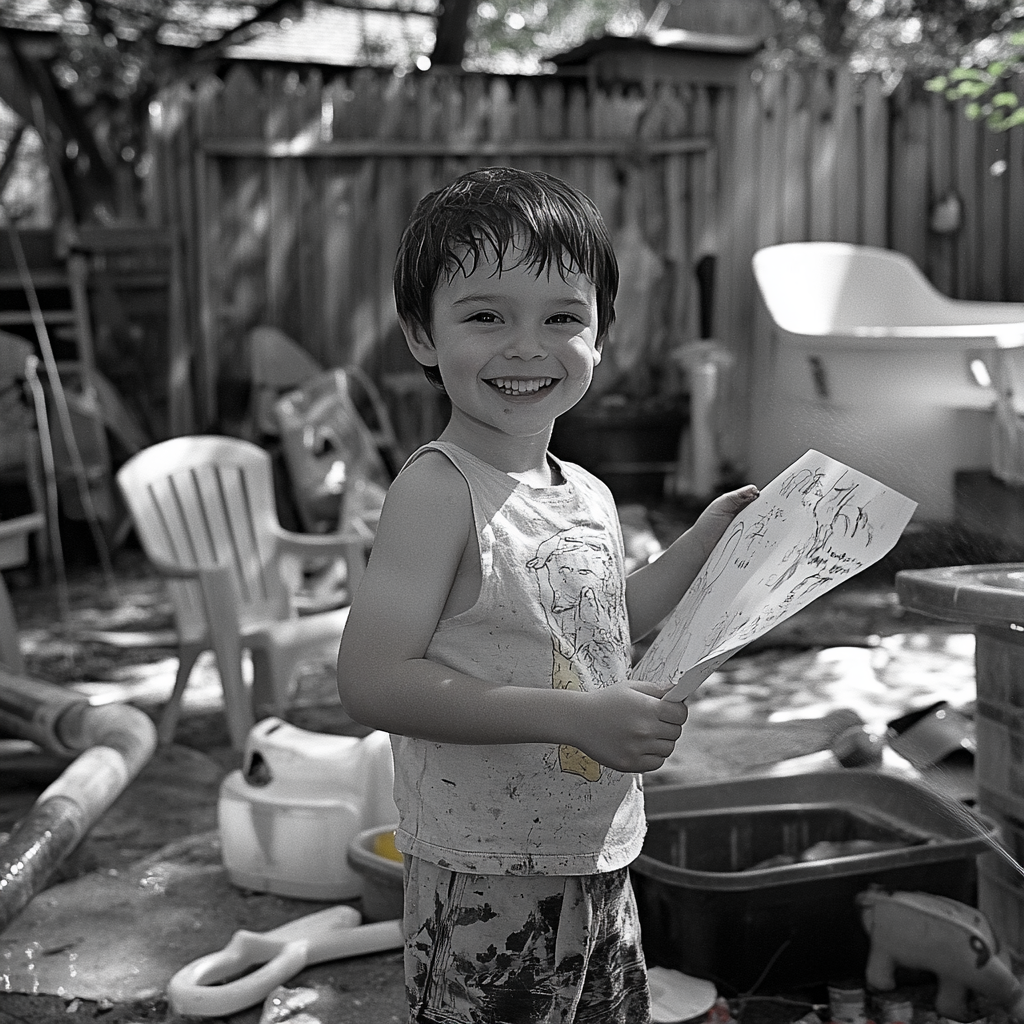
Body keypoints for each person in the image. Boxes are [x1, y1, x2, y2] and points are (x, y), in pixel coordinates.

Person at [337, 166, 759, 1024]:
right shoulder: (439, 490)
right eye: (486, 315)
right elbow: (373, 681)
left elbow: (597, 628)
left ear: (602, 337)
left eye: (563, 317)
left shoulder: (586, 494)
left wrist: (705, 543)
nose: (528, 346)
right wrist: (575, 718)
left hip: (594, 850)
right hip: (483, 872)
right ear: (421, 336)